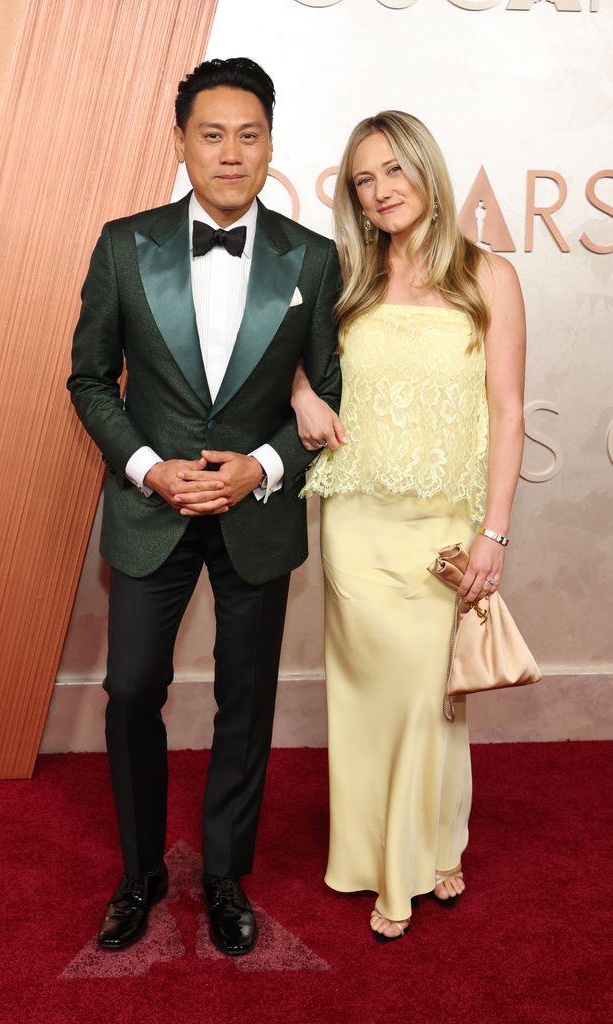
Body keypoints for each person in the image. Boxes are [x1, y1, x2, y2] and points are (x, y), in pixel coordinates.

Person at [67, 57, 341, 956]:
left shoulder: (313, 257)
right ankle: (140, 871)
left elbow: (326, 402)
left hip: (256, 515)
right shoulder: (123, 243)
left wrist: (258, 467)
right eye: (211, 134)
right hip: (152, 514)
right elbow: (90, 380)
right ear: (181, 140)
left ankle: (224, 875)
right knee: (132, 688)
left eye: (248, 135)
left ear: (271, 144)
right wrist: (149, 467)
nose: (231, 153)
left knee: (245, 697)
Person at [293, 111, 526, 942]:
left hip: (443, 529)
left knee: (432, 700)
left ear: (426, 170)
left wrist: (494, 533)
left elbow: (507, 412)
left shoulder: (486, 275)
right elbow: (279, 354)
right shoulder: (343, 279)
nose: (382, 188)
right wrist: (298, 393)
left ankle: (433, 843)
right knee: (370, 697)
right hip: (356, 521)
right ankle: (377, 860)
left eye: (394, 169)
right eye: (364, 178)